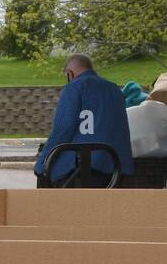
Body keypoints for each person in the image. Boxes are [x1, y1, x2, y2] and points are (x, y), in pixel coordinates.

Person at [34, 55, 133, 187]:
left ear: (69, 73)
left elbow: (63, 129)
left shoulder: (74, 88)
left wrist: (42, 162)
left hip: (81, 168)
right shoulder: (114, 89)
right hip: (115, 167)